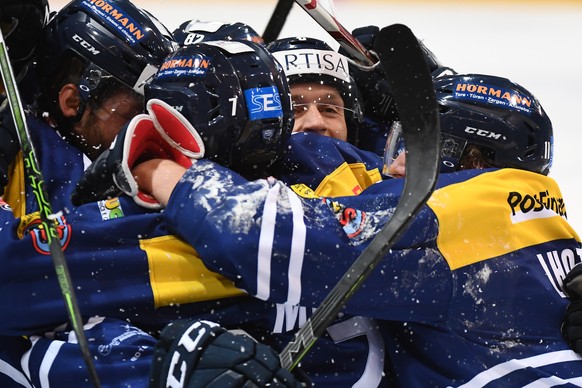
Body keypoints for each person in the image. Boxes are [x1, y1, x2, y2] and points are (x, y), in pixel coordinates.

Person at [122, 72, 582, 386]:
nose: (393, 162)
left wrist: (156, 165)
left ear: (474, 160)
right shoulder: (542, 220)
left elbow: (259, 238)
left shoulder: (458, 210)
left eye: (412, 142)